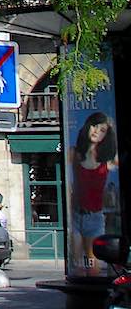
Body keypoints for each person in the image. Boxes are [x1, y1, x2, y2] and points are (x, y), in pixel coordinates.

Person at [71, 111, 119, 274]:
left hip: (95, 217)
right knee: (76, 264)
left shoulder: (108, 160)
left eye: (103, 130)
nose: (96, 131)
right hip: (75, 216)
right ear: (88, 126)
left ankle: (95, 295)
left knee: (93, 265)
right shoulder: (74, 153)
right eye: (94, 126)